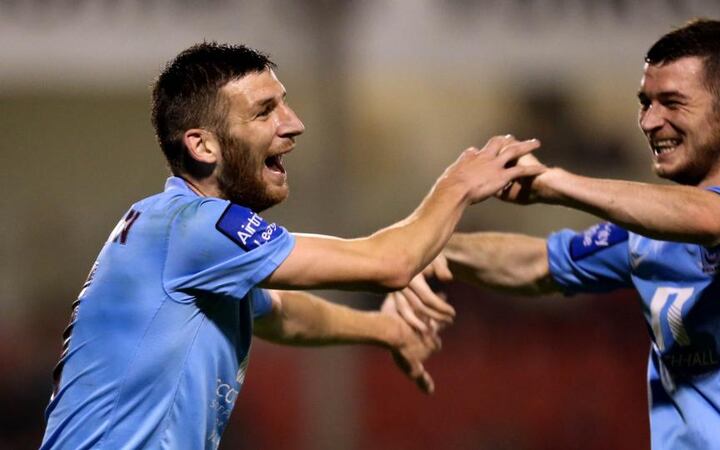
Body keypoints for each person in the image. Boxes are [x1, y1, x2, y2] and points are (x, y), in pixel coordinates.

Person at [39, 42, 541, 449]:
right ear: (203, 145)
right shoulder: (196, 229)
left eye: (284, 103)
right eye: (265, 111)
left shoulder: (182, 236)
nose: (293, 123)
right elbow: (390, 262)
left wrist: (383, 328)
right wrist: (459, 184)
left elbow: (281, 313)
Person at [438, 19, 720, 449]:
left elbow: (715, 220)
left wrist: (556, 184)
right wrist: (426, 248)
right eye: (644, 103)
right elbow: (537, 263)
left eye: (672, 103)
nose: (649, 121)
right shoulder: (646, 235)